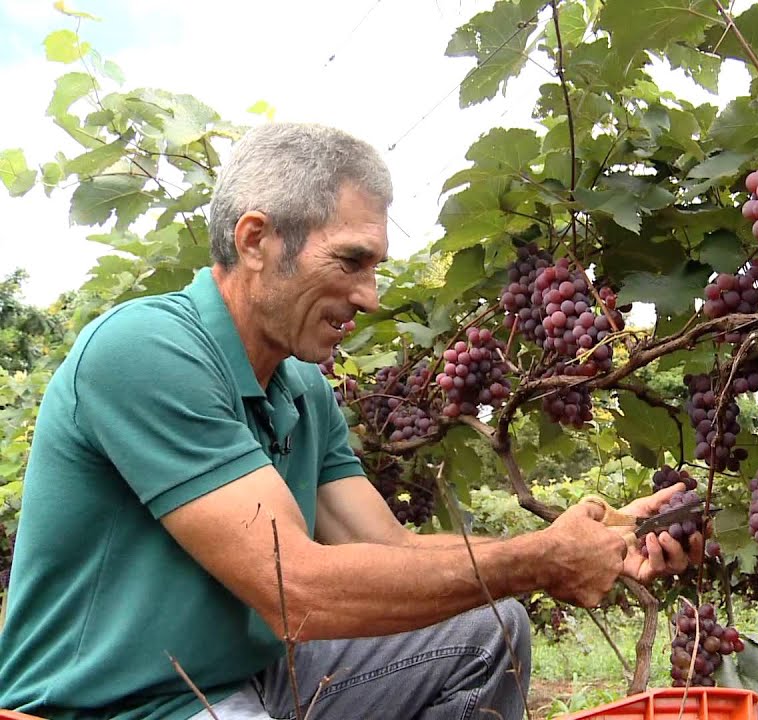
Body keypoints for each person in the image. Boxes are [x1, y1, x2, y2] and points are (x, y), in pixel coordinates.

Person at [0, 122, 702, 720]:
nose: (369, 297)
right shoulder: (144, 350)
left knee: (489, 630)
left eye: (375, 267)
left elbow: (388, 550)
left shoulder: (302, 388)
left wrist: (581, 542)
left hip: (253, 677)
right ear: (255, 240)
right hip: (119, 703)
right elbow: (296, 592)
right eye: (350, 261)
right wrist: (538, 561)